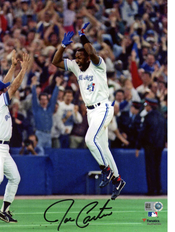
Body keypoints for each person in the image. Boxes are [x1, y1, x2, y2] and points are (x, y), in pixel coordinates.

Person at [52, 22, 126, 200]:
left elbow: (92, 52)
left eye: (80, 56)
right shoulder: (76, 67)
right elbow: (55, 62)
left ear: (86, 57)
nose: (77, 59)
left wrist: (83, 36)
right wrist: (62, 46)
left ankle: (106, 170)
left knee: (89, 139)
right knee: (103, 148)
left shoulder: (97, 65)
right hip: (91, 112)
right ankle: (118, 180)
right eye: (76, 56)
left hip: (103, 107)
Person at [0, 50, 31, 222]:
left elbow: (3, 84)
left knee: (15, 178)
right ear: (0, 93)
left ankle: (4, 210)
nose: (6, 89)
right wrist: (23, 69)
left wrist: (12, 66)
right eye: (4, 89)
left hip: (2, 147)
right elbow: (14, 86)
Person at [135, 98, 166, 195]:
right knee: (157, 167)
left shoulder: (148, 117)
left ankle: (151, 190)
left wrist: (138, 146)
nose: (145, 107)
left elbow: (142, 133)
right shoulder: (161, 117)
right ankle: (158, 189)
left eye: (146, 105)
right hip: (159, 146)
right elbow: (165, 132)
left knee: (150, 168)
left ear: (150, 106)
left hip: (150, 146)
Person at [31, 76, 62, 148]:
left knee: (48, 153)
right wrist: (34, 85)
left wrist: (57, 85)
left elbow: (54, 98)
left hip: (48, 135)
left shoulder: (50, 109)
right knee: (40, 152)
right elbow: (34, 98)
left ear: (48, 101)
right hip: (39, 134)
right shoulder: (36, 109)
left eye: (45, 99)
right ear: (39, 101)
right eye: (42, 99)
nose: (43, 101)